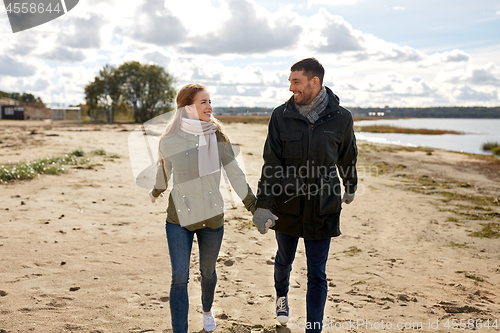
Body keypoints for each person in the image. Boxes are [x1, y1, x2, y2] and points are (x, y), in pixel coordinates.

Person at [252, 58, 358, 332]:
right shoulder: (280, 115)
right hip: (286, 204)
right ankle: (282, 297)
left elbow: (347, 157)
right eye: (289, 82)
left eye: (295, 82)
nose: (291, 88)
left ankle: (314, 327)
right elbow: (271, 163)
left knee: (317, 273)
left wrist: (351, 185)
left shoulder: (342, 118)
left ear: (315, 82)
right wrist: (263, 205)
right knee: (284, 261)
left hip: (324, 206)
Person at [149, 83, 256, 333]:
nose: (209, 107)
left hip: (211, 218)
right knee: (179, 278)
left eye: (210, 102)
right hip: (179, 220)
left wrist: (253, 205)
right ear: (187, 108)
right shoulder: (169, 140)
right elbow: (164, 172)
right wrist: (156, 190)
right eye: (203, 102)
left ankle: (207, 309)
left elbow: (235, 173)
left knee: (207, 273)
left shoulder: (217, 136)